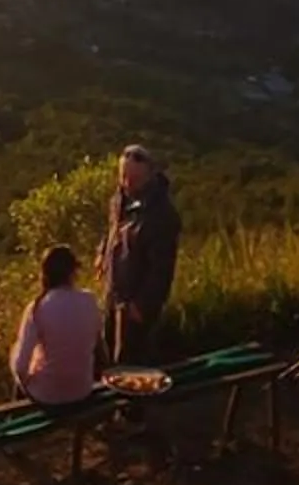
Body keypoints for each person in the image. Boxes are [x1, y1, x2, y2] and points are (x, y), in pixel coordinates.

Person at [99, 145, 181, 365]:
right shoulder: (119, 201)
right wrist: (102, 254)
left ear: (149, 176)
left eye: (132, 178)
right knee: (109, 358)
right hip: (113, 294)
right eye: (123, 176)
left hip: (135, 302)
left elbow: (162, 268)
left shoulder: (161, 214)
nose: (126, 183)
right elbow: (111, 231)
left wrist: (143, 305)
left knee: (131, 362)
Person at [9, 246, 103, 406]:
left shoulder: (37, 307)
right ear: (73, 272)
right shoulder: (90, 300)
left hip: (48, 397)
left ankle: (13, 416)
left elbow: (20, 367)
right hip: (82, 391)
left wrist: (25, 379)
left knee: (16, 354)